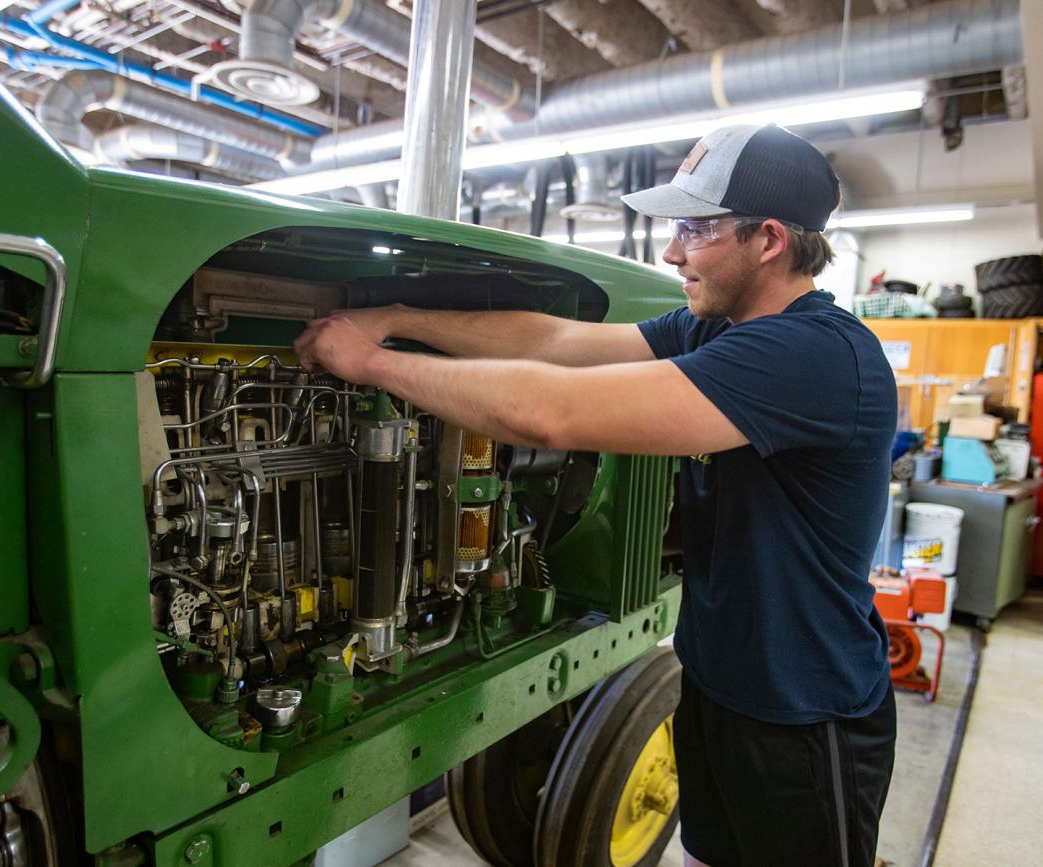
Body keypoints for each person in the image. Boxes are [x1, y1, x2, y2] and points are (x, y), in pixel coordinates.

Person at [295, 124, 898, 867]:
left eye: (695, 229)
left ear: (768, 238)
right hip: (719, 686)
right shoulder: (717, 332)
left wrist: (371, 363)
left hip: (804, 717)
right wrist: (396, 320)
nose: (672, 251)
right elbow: (554, 342)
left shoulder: (815, 355)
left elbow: (553, 410)